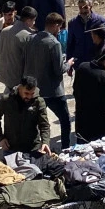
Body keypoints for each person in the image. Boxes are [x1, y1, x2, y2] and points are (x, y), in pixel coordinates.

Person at [25, 13, 71, 146]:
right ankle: (66, 148)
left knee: (40, 122)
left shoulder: (32, 39)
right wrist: (69, 64)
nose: (59, 31)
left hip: (37, 89)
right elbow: (59, 69)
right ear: (56, 25)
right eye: (59, 28)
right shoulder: (54, 44)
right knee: (65, 120)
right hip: (53, 91)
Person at [0, 75, 53, 153]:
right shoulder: (7, 100)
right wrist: (1, 138)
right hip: (11, 147)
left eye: (32, 93)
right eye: (26, 93)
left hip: (32, 147)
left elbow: (44, 124)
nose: (29, 97)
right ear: (20, 88)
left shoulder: (39, 102)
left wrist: (45, 142)